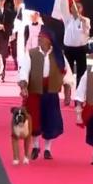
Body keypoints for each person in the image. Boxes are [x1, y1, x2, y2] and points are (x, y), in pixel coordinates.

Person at [18, 28, 70, 160]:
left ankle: (47, 149)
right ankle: (35, 146)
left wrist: (68, 92)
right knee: (34, 121)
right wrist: (24, 85)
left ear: (49, 40)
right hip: (35, 91)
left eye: (42, 36)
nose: (39, 38)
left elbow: (66, 73)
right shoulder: (31, 54)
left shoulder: (58, 56)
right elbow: (24, 70)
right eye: (39, 36)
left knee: (50, 121)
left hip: (51, 91)